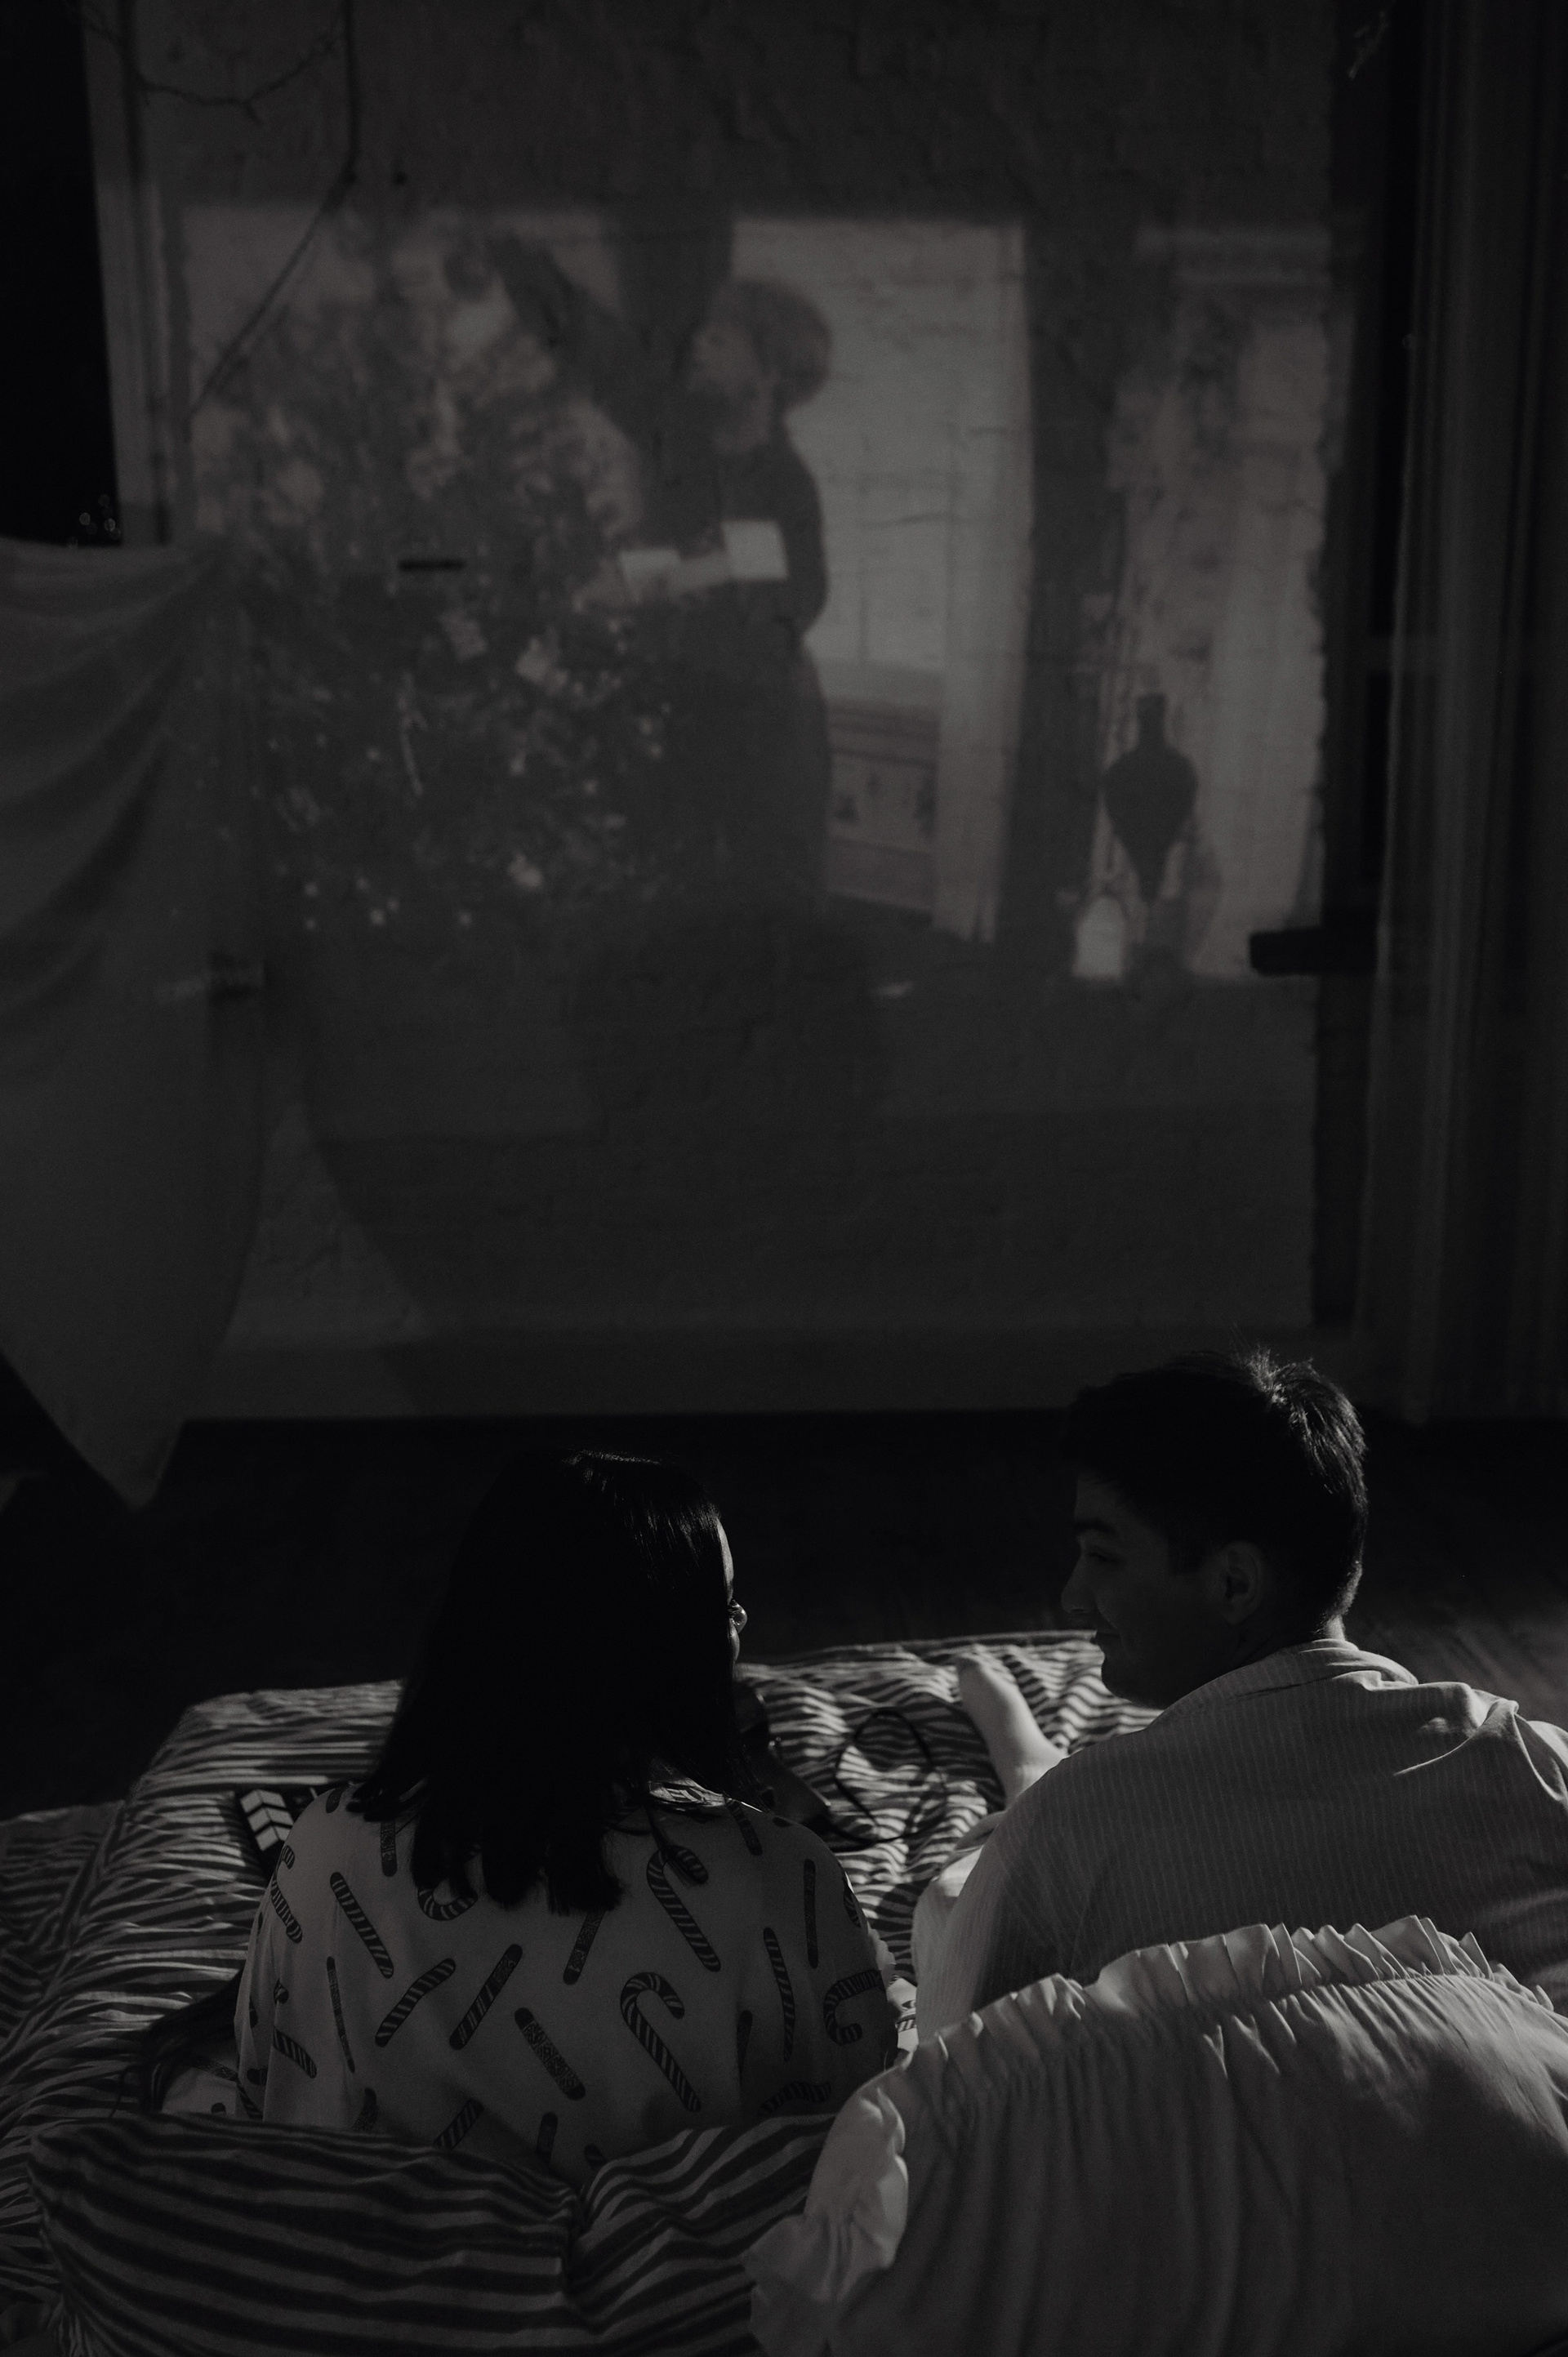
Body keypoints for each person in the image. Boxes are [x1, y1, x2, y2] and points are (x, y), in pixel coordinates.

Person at [147, 1452, 895, 2185]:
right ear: (671, 1650)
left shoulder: (322, 1847)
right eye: (723, 1607)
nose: (740, 1627)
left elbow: (267, 2085)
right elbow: (854, 2129)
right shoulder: (780, 1876)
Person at [916, 1349, 1568, 2037]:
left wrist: (1033, 1814)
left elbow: (950, 2069)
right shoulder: (1536, 1764)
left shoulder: (1067, 1830)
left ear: (1234, 1584)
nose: (1073, 1597)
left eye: (1104, 1556)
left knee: (953, 1899)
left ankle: (1027, 1767)